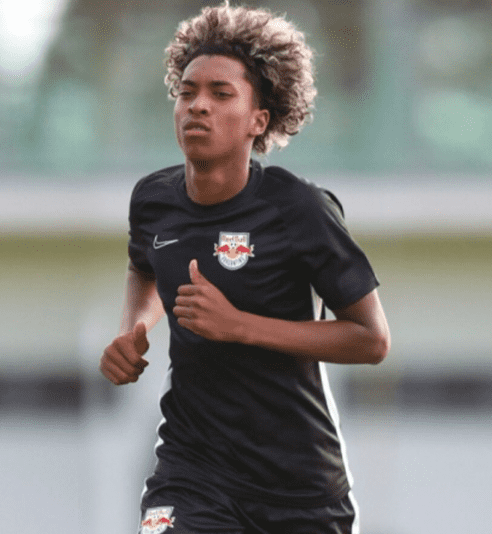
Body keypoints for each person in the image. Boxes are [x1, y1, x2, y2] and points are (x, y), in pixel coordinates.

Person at [100, 2, 390, 533]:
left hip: (297, 489)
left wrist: (239, 326)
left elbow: (371, 340)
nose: (197, 106)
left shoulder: (298, 208)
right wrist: (133, 329)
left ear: (260, 119)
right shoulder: (153, 201)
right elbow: (145, 267)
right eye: (187, 92)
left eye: (220, 94)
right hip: (192, 471)